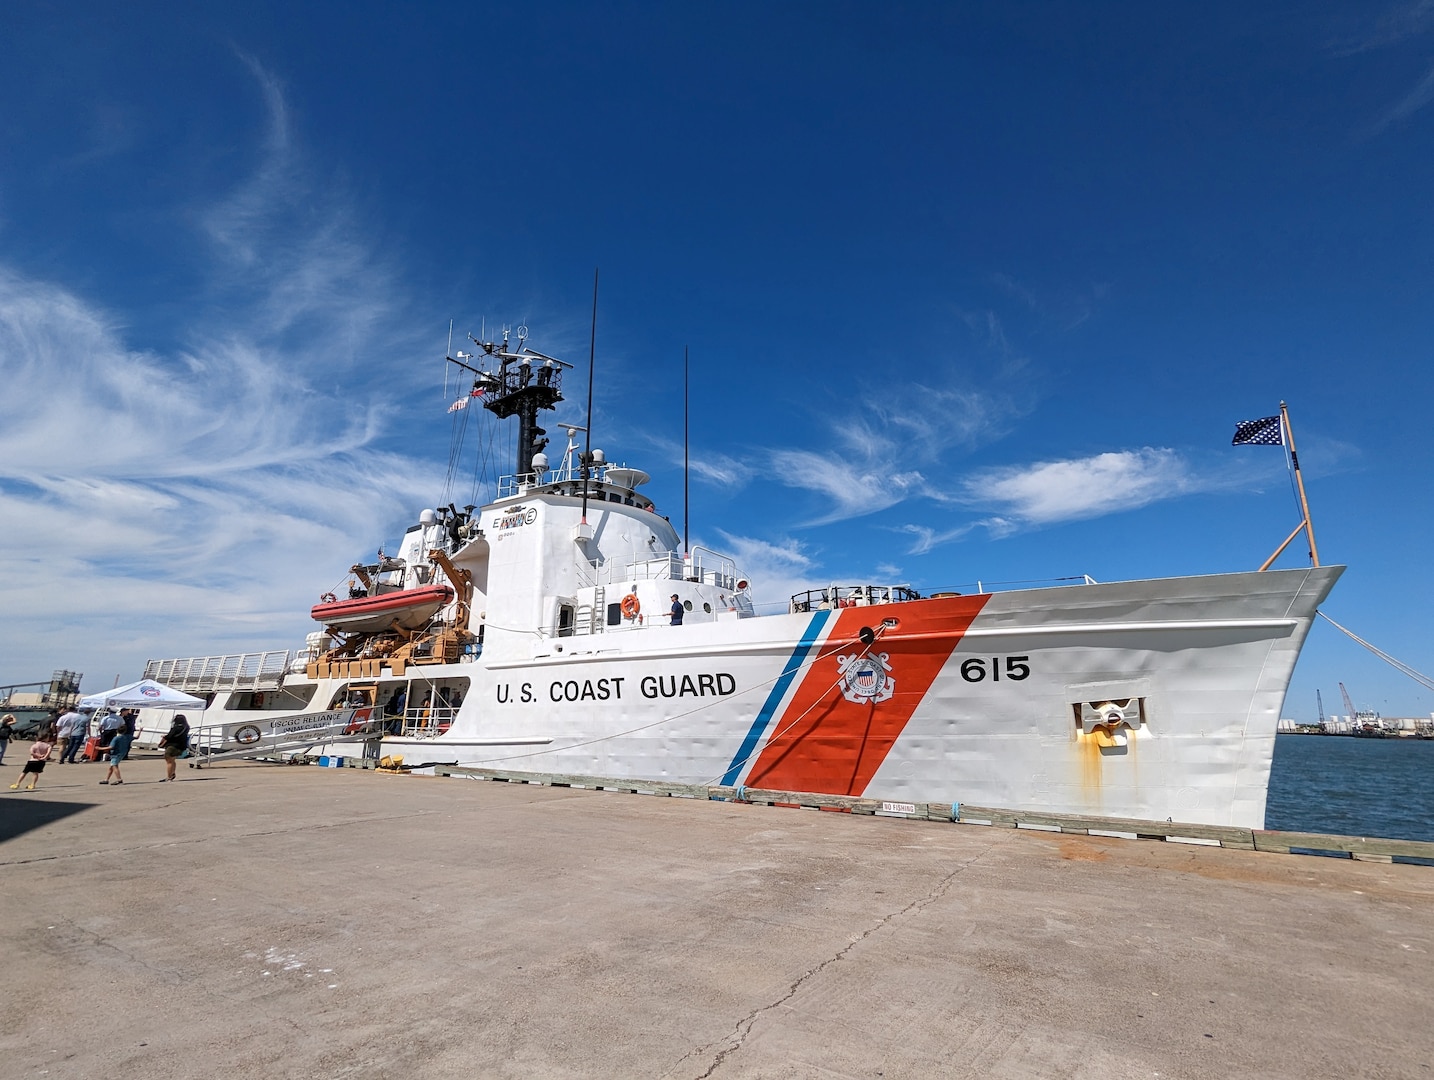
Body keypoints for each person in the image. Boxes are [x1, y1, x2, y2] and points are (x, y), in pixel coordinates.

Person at [100, 709, 137, 786]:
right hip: (122, 752)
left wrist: (99, 748)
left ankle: (119, 779)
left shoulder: (116, 738)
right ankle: (106, 779)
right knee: (111, 766)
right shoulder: (127, 736)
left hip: (115, 753)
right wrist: (140, 731)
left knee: (114, 766)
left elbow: (111, 747)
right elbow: (135, 736)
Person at [158, 713, 190, 781]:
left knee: (169, 761)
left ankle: (169, 777)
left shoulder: (175, 728)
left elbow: (169, 736)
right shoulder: (186, 727)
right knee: (172, 760)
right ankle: (172, 774)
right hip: (181, 746)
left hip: (172, 746)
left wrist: (164, 737)